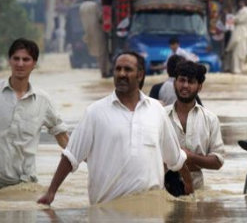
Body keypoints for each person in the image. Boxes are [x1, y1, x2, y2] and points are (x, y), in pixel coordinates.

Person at [37, 52, 193, 205]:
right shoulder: (95, 112)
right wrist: (51, 192)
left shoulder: (156, 111)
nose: (121, 74)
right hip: (107, 210)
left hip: (150, 211)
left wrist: (189, 188)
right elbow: (70, 157)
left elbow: (175, 158)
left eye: (128, 69)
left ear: (140, 75)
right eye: (118, 69)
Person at [0, 39, 69, 189]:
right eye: (16, 58)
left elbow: (63, 139)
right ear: (9, 61)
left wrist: (93, 163)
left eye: (26, 59)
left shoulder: (43, 101)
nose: (20, 64)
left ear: (34, 64)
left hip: (24, 186)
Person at [166, 61, 225, 189]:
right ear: (174, 83)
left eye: (191, 82)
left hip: (196, 188)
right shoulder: (160, 116)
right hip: (162, 185)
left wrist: (190, 157)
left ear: (199, 87)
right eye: (182, 80)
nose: (185, 85)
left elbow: (218, 161)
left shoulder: (210, 119)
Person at [79, 0, 110, 78]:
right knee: (103, 52)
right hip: (98, 31)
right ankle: (104, 72)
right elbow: (101, 17)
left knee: (98, 53)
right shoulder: (95, 5)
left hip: (88, 32)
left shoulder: (81, 7)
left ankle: (102, 72)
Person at [225, 0, 247, 74]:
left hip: (240, 36)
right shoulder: (238, 11)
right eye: (239, 2)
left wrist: (231, 18)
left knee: (237, 55)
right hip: (236, 34)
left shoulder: (245, 11)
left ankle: (235, 69)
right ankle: (232, 68)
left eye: (241, 2)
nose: (240, 4)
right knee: (235, 54)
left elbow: (238, 19)